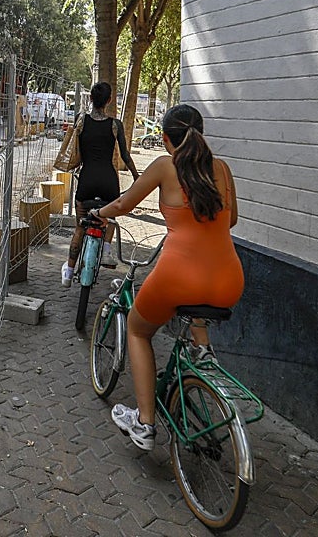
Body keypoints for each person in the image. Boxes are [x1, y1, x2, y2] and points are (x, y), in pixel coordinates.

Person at [89, 104, 243, 452]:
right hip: (229, 279)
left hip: (177, 276)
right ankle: (202, 350)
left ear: (164, 138)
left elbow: (125, 204)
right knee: (199, 292)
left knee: (137, 329)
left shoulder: (164, 166)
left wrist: (98, 213)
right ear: (202, 134)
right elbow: (231, 222)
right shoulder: (222, 169)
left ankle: (144, 423)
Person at [62, 82, 140, 287]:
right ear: (109, 100)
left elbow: (72, 145)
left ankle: (69, 272)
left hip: (87, 180)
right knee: (110, 218)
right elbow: (125, 155)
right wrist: (136, 176)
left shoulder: (81, 120)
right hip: (108, 182)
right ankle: (106, 251)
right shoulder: (116, 125)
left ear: (90, 99)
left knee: (80, 227)